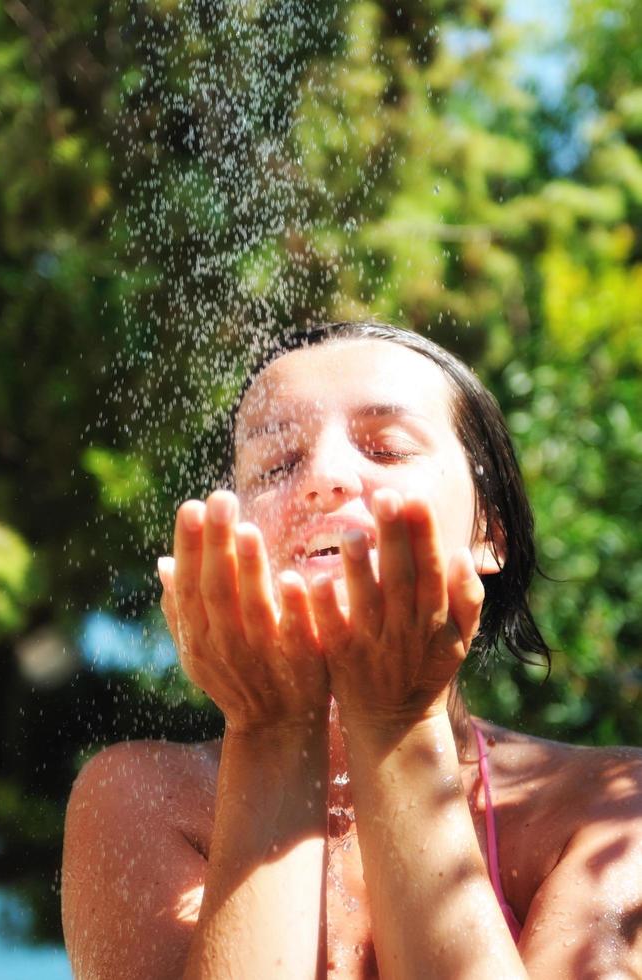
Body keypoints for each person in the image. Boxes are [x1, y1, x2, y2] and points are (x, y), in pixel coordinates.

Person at [61, 321, 642, 979]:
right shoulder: (144, 798)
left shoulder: (614, 807)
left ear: (490, 531)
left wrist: (398, 725)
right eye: (277, 464)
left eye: (388, 449)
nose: (324, 478)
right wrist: (271, 730)